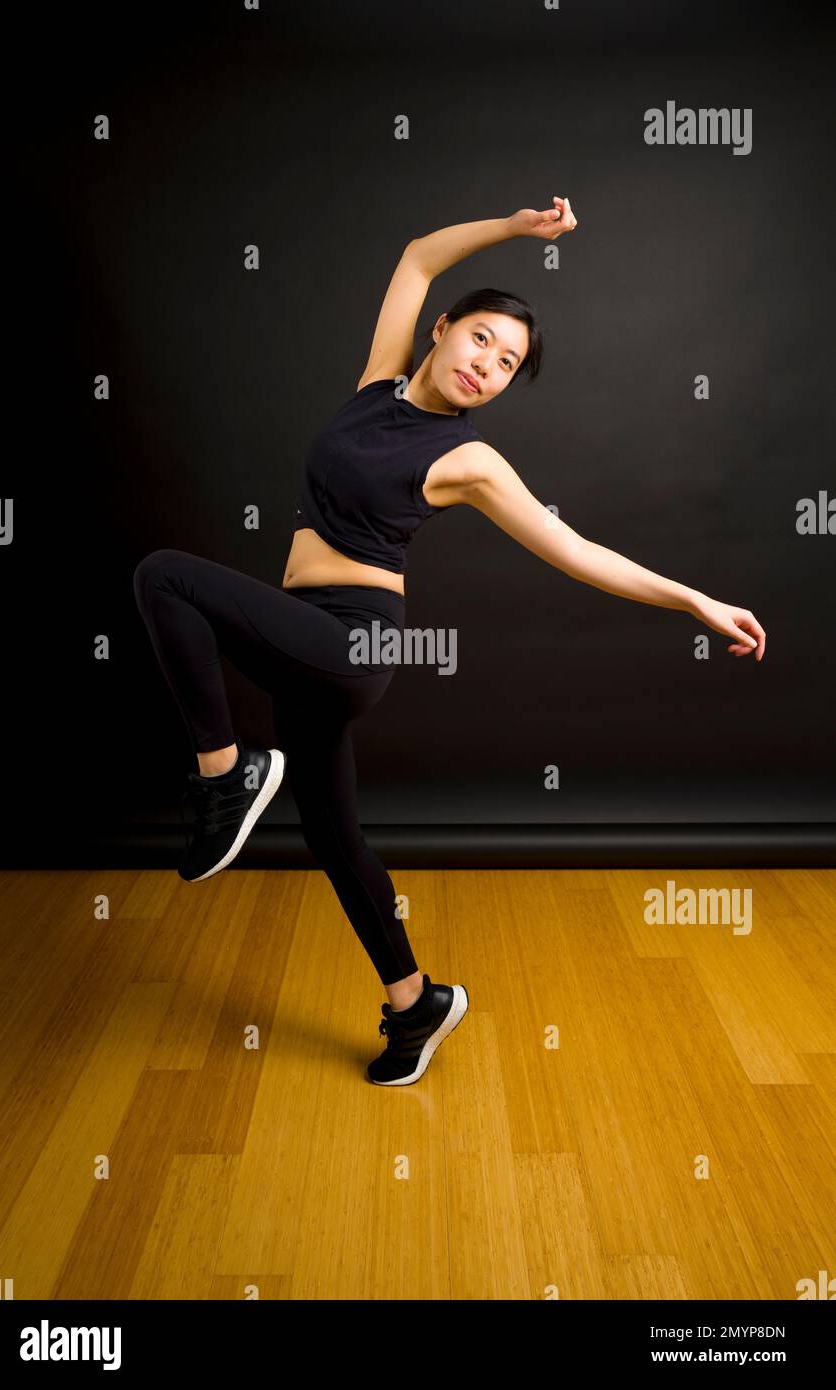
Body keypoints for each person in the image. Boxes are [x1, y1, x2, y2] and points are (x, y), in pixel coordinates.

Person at [133, 197, 767, 1086]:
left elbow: (576, 552)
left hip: (352, 642)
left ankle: (225, 777)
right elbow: (419, 254)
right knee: (331, 833)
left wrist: (694, 599)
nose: (488, 367)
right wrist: (517, 227)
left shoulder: (468, 462)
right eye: (480, 342)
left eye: (508, 364)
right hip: (302, 637)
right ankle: (415, 1003)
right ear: (441, 332)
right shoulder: (376, 383)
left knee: (165, 575)